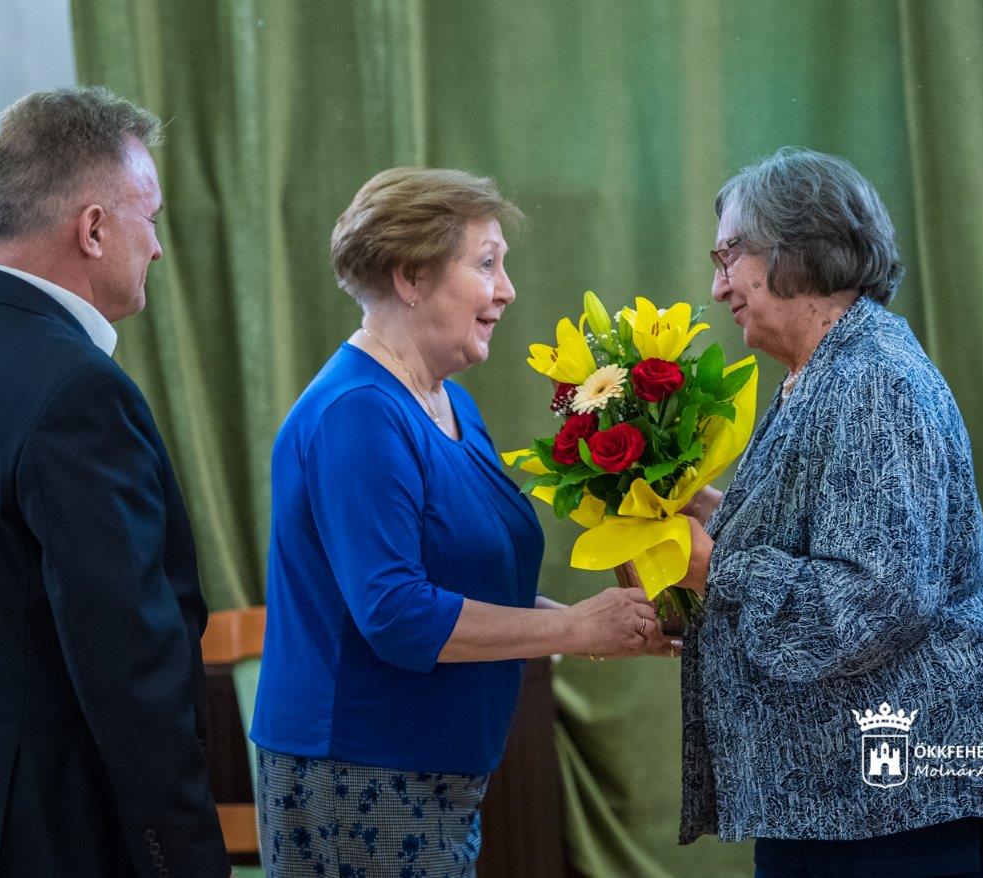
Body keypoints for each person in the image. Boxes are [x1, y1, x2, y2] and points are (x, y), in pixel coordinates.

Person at [250, 167, 678, 876]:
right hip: (359, 779)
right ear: (410, 276)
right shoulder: (358, 412)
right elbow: (397, 614)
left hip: (433, 777)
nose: (507, 290)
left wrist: (609, 629)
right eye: (486, 264)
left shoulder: (451, 403)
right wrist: (573, 629)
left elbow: (474, 592)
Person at [672, 148, 983, 877]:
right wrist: (708, 512)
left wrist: (715, 568)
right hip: (868, 801)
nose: (717, 285)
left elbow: (875, 598)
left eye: (729, 256)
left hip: (915, 802)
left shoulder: (871, 379)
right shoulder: (827, 370)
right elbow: (834, 533)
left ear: (795, 249)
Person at [0, 87, 228, 877]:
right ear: (93, 229)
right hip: (48, 838)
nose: (158, 248)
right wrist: (185, 859)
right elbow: (129, 663)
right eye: (151, 218)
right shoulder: (77, 390)